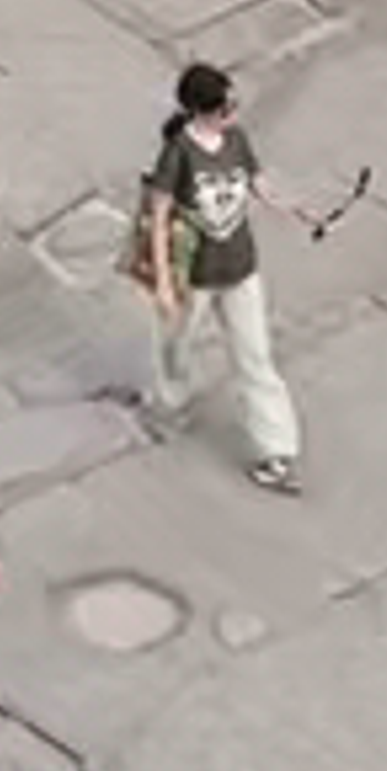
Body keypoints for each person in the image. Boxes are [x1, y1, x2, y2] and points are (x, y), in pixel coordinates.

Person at [131, 59, 305, 491]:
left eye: (234, 104)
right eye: (226, 107)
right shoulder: (178, 156)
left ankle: (277, 451)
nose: (233, 113)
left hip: (241, 268)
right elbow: (159, 217)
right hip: (196, 276)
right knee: (176, 347)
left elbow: (257, 181)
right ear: (201, 111)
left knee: (256, 359)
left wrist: (291, 208)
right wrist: (166, 284)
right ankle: (169, 405)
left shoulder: (237, 140)